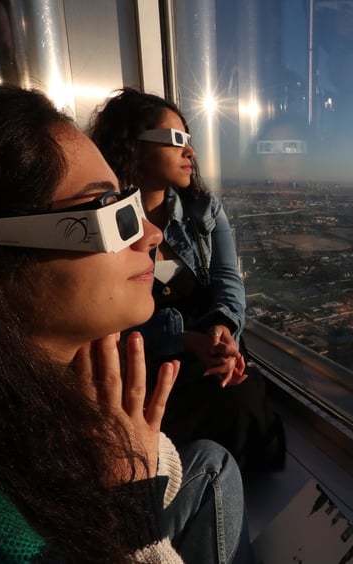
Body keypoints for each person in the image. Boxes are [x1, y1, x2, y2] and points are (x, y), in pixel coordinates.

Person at [0, 80, 253, 563]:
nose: (148, 235)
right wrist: (133, 520)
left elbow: (227, 283)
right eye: (110, 211)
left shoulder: (34, 399)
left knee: (211, 459)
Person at [88, 88, 285, 473]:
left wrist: (223, 328)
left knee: (241, 397)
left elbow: (230, 281)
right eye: (176, 140)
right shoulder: (100, 227)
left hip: (206, 351)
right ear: (134, 147)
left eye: (189, 141)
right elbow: (102, 322)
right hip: (145, 366)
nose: (189, 152)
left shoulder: (204, 212)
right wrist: (182, 339)